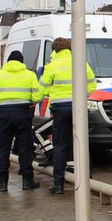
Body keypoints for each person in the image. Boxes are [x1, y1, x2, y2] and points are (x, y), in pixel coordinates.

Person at [39, 37, 96, 195]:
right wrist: (81, 96)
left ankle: (58, 184)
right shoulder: (81, 63)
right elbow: (92, 85)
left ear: (54, 50)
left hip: (60, 110)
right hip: (78, 108)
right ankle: (88, 178)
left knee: (60, 146)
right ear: (69, 48)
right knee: (81, 143)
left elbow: (41, 90)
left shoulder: (51, 66)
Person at [0, 50, 42, 193]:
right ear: (22, 62)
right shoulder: (29, 75)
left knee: (2, 149)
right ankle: (27, 181)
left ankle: (3, 183)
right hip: (23, 113)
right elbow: (37, 96)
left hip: (4, 114)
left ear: (8, 61)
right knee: (25, 148)